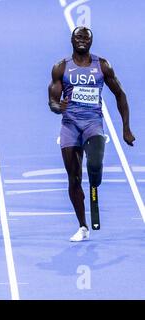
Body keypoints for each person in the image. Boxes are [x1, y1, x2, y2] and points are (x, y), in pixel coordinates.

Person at [48, 27, 135, 241]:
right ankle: (83, 226)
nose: (82, 41)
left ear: (91, 42)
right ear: (71, 40)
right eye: (78, 37)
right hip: (70, 126)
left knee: (94, 164)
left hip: (92, 124)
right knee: (74, 177)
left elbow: (120, 94)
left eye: (86, 38)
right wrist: (60, 107)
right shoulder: (61, 68)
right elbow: (52, 102)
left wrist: (126, 127)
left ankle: (95, 180)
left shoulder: (102, 66)